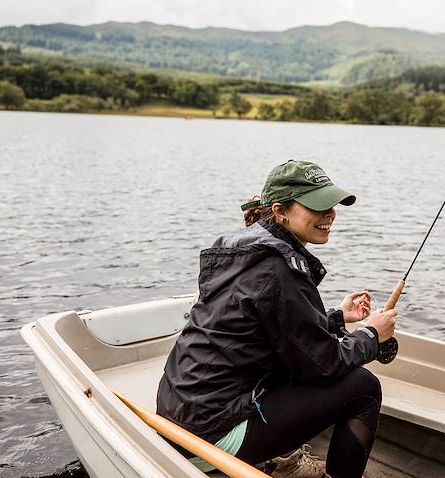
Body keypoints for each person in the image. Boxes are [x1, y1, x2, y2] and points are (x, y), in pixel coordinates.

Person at [157, 160, 398, 478]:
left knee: (292, 368)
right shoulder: (279, 268)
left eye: (332, 205)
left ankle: (281, 459)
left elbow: (272, 328)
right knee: (363, 387)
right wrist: (371, 335)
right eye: (318, 205)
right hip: (211, 438)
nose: (330, 214)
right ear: (281, 211)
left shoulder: (244, 251)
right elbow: (325, 364)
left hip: (176, 419)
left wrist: (337, 317)